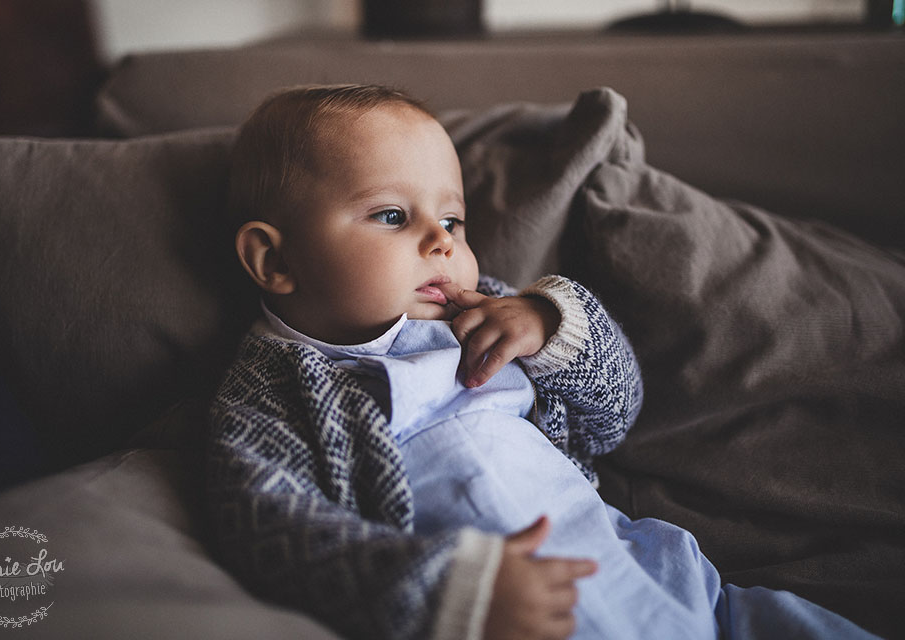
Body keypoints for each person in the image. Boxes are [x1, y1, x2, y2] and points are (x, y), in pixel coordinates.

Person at [206, 84, 877, 640]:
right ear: (276, 261)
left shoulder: (488, 310)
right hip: (512, 611)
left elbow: (614, 416)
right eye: (390, 215)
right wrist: (445, 591)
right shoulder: (270, 394)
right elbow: (271, 532)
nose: (441, 241)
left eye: (453, 219)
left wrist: (549, 322)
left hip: (658, 580)